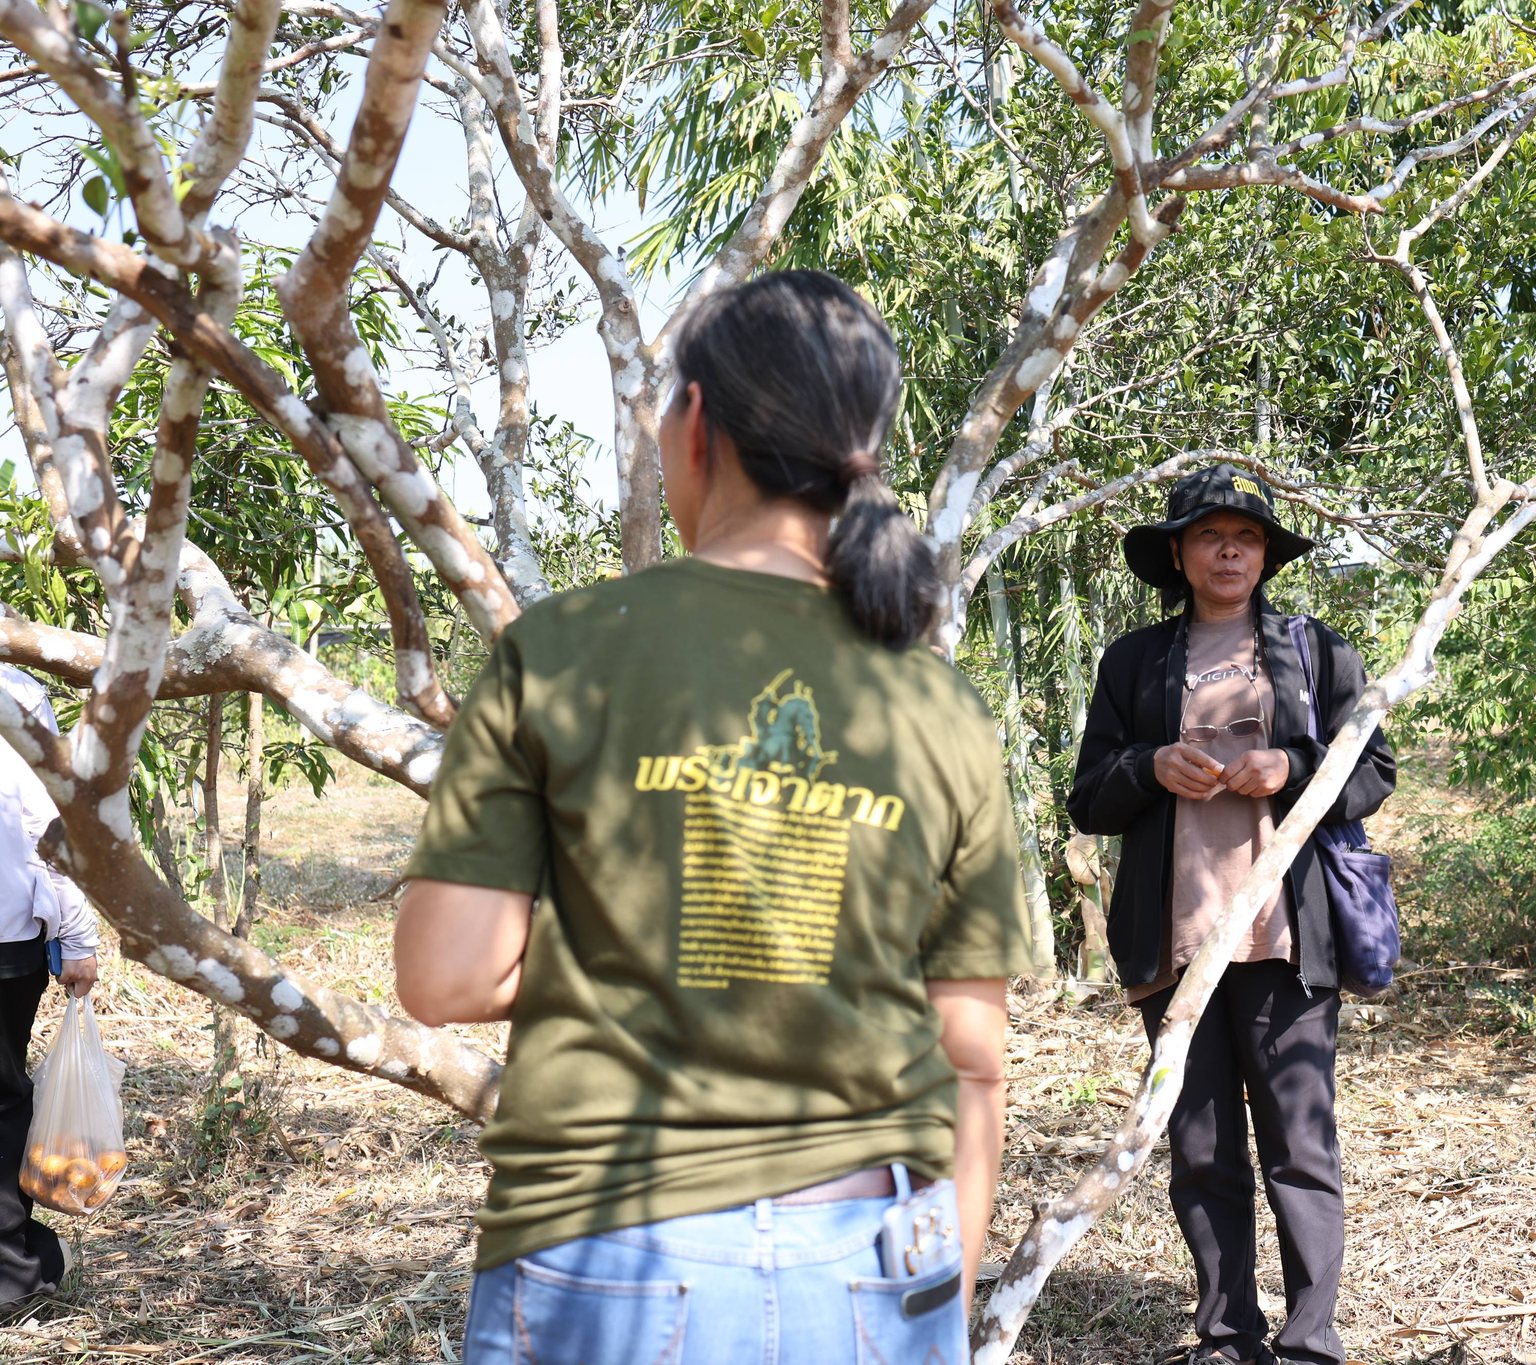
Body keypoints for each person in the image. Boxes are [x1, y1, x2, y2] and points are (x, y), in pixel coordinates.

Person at [393, 270, 1034, 1364]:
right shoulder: (940, 705)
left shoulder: (566, 647)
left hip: (607, 1254)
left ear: (693, 426)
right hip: (882, 1265)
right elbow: (972, 1056)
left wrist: (636, 927)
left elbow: (448, 976)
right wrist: (944, 1296)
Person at [1067, 464, 1395, 1365]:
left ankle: (1308, 1344)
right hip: (1175, 947)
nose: (1228, 550)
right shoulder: (1134, 662)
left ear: (1265, 556)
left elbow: (1372, 772)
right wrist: (1149, 768)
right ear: (1177, 553)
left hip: (1285, 942)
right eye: (1210, 535)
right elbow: (1087, 797)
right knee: (1204, 1153)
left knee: (1299, 1145)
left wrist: (1292, 768)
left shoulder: (1315, 652)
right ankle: (1226, 1338)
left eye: (1245, 538)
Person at [0, 663, 99, 1304]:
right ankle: (9, 1269)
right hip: (5, 938)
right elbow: (48, 825)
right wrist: (81, 936)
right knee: (4, 1098)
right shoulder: (13, 691)